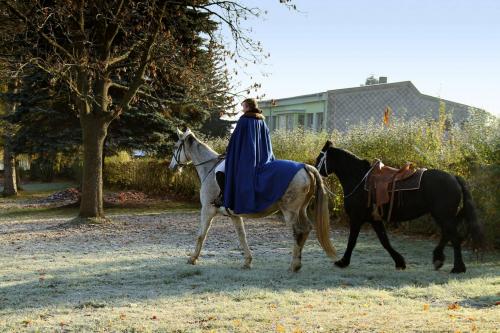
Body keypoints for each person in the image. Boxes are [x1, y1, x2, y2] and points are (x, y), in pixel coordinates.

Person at [213, 98, 304, 214]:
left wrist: (229, 152)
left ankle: (225, 198)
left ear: (249, 107)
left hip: (244, 160)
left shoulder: (244, 120)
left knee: (219, 170)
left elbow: (235, 140)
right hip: (262, 159)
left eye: (244, 106)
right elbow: (266, 143)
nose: (242, 109)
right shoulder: (262, 121)